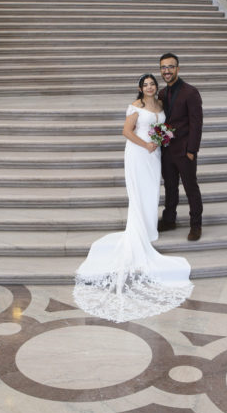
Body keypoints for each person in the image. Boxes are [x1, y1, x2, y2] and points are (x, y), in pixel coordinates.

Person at [73, 73, 193, 323]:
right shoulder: (136, 106)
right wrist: (145, 145)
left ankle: (149, 228)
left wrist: (160, 140)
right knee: (139, 192)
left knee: (151, 191)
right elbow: (126, 131)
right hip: (139, 153)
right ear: (140, 88)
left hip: (154, 153)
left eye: (152, 84)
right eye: (145, 84)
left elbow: (161, 126)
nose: (149, 87)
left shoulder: (160, 104)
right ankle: (139, 231)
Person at [156, 52, 203, 241]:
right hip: (167, 151)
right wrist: (159, 145)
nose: (167, 71)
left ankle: (196, 225)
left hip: (185, 151)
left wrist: (192, 151)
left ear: (178, 68)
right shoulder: (161, 93)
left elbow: (196, 124)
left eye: (170, 67)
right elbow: (160, 122)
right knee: (170, 187)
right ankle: (169, 220)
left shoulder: (191, 92)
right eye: (163, 67)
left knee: (191, 187)